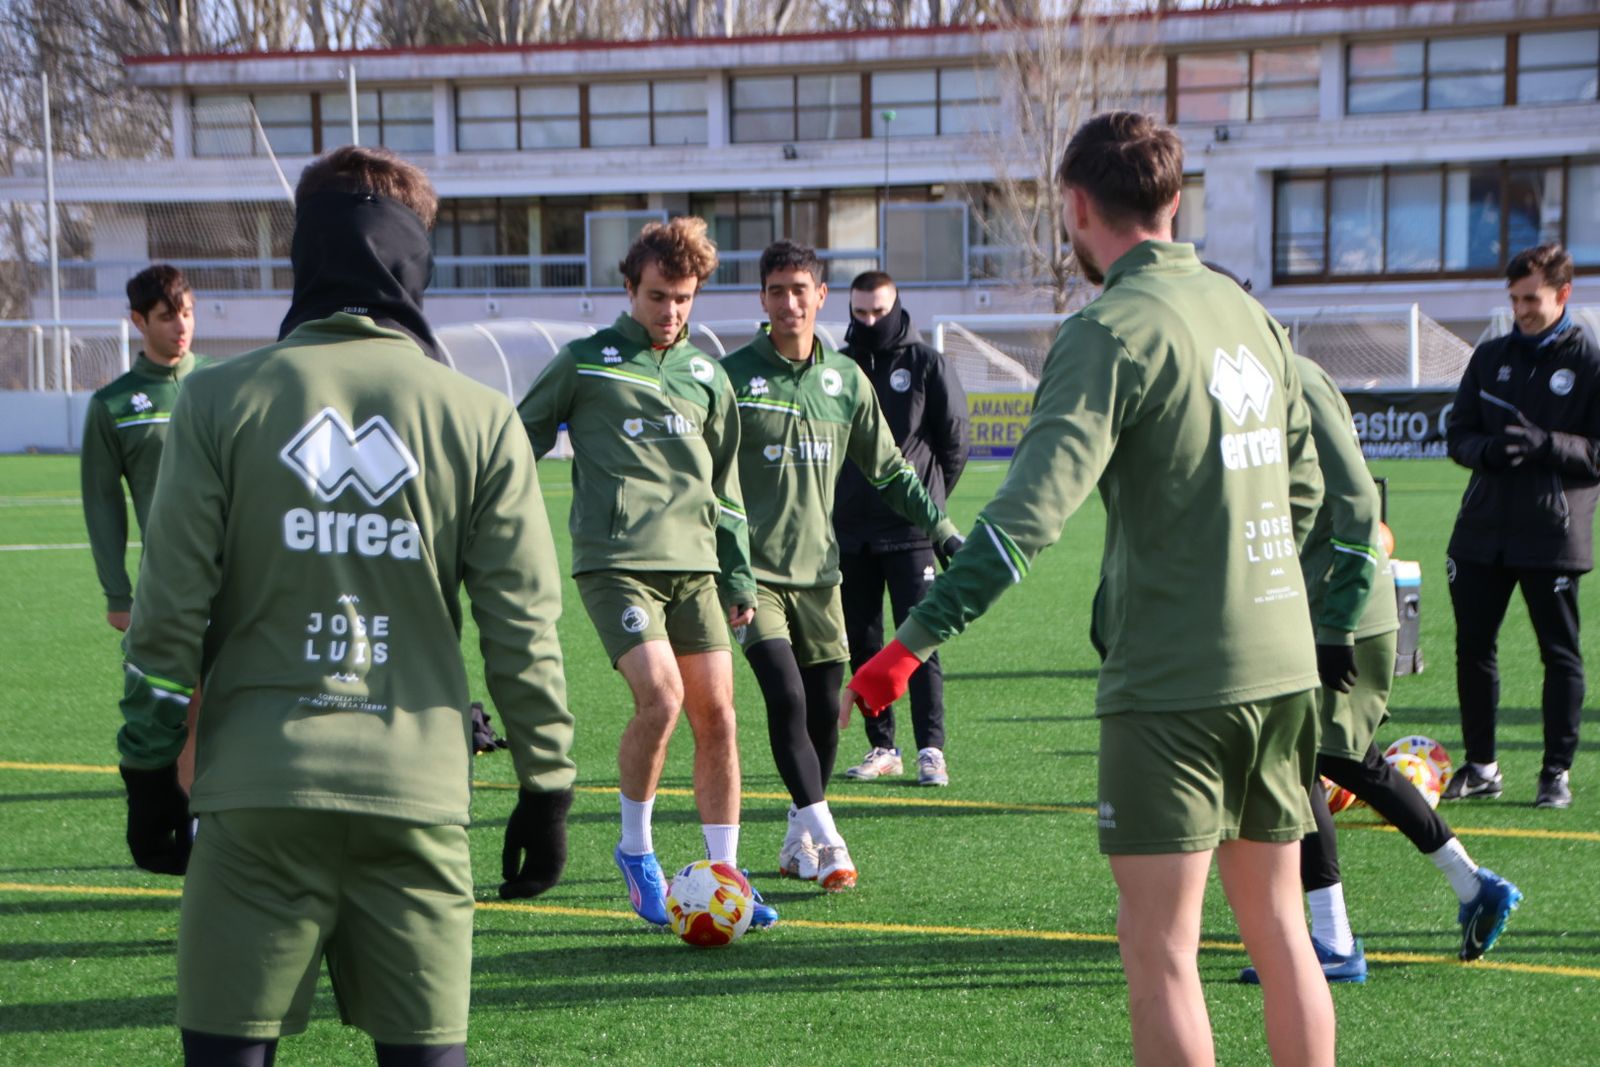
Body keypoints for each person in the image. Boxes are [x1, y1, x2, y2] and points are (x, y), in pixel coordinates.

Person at [842, 111, 1335, 1066]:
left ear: (1074, 205)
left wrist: (912, 642)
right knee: (1282, 930)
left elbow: (1026, 518)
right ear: (1174, 198)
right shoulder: (1254, 317)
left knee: (1158, 948)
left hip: (1177, 684)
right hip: (1283, 665)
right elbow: (1305, 488)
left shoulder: (1107, 330)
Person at [114, 145, 576, 1066]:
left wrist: (146, 767)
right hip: (418, 799)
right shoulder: (479, 416)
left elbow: (168, 615)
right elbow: (522, 632)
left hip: (255, 798)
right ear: (414, 256)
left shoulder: (214, 401)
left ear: (305, 253)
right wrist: (547, 785)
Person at [519, 216, 776, 928]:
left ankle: (726, 875)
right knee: (661, 700)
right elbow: (517, 440)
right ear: (630, 288)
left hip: (696, 571)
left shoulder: (707, 376)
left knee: (718, 716)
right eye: (660, 296)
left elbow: (725, 490)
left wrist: (740, 576)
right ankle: (636, 852)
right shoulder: (585, 361)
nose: (672, 312)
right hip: (617, 566)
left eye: (685, 299)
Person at [1237, 351, 1522, 983]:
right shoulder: (1262, 375)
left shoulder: (1292, 378)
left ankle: (1336, 940)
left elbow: (1361, 503)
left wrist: (1336, 622)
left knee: (1303, 762)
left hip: (1340, 610)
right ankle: (1469, 888)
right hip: (1313, 606)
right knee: (1330, 762)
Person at [722, 242, 961, 891]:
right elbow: (712, 481)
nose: (789, 302)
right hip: (755, 578)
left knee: (827, 710)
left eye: (800, 288)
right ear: (763, 298)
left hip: (820, 576)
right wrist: (731, 568)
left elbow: (889, 468)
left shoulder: (844, 381)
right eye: (776, 290)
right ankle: (829, 838)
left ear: (820, 296)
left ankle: (799, 831)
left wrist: (941, 528)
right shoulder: (733, 377)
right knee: (785, 693)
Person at [1444, 243, 1600, 810]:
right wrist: (1488, 450)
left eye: (1530, 298)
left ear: (1563, 294)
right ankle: (1482, 766)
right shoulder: (1490, 356)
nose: (1521, 310)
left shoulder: (1589, 361)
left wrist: (1546, 446)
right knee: (1473, 649)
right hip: (1482, 528)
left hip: (1553, 532)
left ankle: (1555, 772)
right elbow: (1457, 434)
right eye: (1513, 299)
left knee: (1559, 654)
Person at [835, 270, 969, 787]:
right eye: (861, 313)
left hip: (913, 532)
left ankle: (930, 750)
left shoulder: (926, 364)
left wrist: (930, 506)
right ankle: (882, 746)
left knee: (919, 643)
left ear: (896, 307)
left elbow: (953, 441)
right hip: (850, 531)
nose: (870, 321)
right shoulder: (839, 368)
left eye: (879, 312)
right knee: (863, 644)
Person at [82, 265, 209, 791]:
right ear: (137, 320)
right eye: (166, 317)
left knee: (236, 703)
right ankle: (186, 816)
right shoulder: (112, 404)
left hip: (242, 577)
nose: (181, 327)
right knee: (177, 706)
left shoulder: (222, 387)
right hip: (169, 585)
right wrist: (118, 593)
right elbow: (103, 503)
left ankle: (217, 814)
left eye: (187, 313)